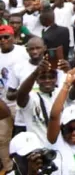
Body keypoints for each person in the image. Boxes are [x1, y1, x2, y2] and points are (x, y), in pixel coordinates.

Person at [0, 23, 28, 171]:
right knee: (2, 138)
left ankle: (27, 168)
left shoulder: (23, 52)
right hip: (2, 103)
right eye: (0, 38)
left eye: (6, 37)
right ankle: (10, 169)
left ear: (13, 37)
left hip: (21, 102)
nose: (3, 40)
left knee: (24, 136)